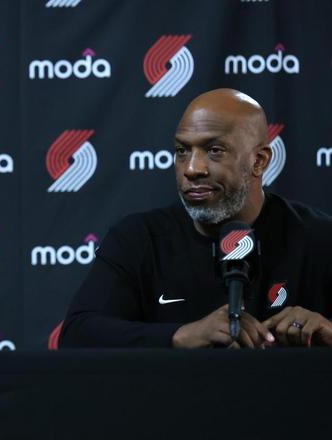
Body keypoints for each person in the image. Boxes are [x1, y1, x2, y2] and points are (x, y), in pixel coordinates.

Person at [60, 88, 332, 349]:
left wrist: (328, 331)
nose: (192, 169)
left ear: (259, 161)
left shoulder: (320, 239)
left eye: (214, 150)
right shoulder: (138, 239)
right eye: (182, 151)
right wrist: (179, 336)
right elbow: (77, 334)